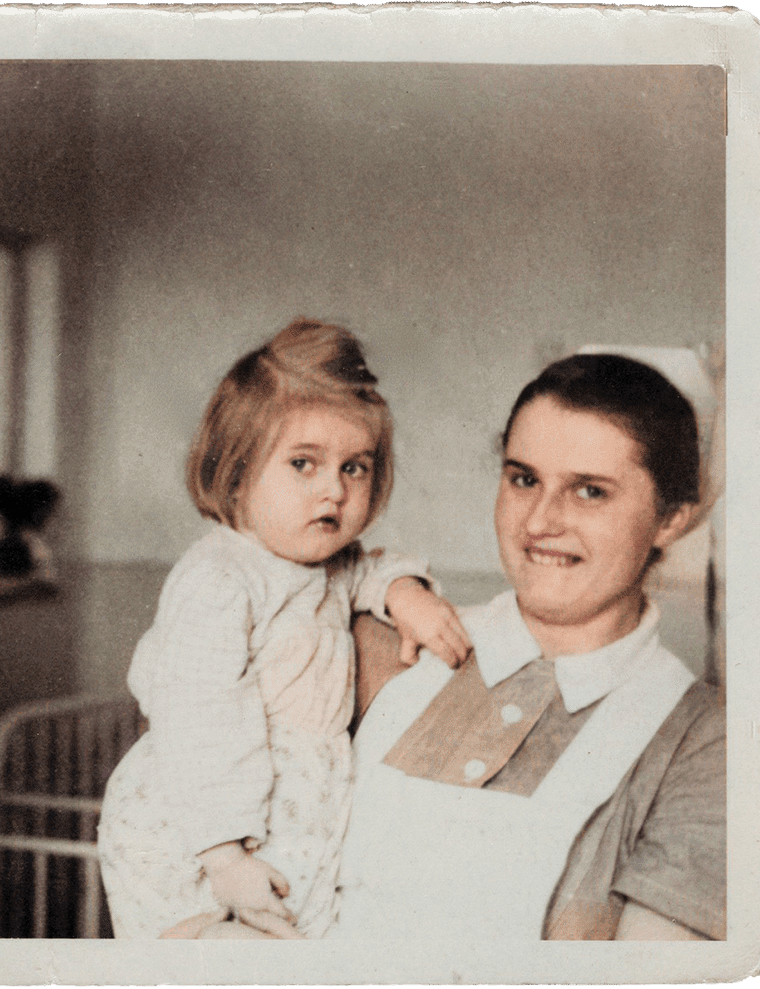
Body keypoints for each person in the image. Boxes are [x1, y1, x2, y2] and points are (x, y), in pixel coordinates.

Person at [178, 352, 725, 941]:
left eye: (590, 492)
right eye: (524, 479)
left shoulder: (702, 739)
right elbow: (197, 794)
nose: (541, 521)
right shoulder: (386, 642)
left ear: (670, 519)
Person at [97, 319, 472, 939]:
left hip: (286, 816)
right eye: (305, 463)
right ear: (238, 471)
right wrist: (222, 855)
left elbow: (368, 573)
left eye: (355, 468)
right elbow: (198, 715)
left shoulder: (324, 563)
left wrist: (406, 595)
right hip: (197, 829)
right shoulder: (219, 577)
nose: (333, 489)